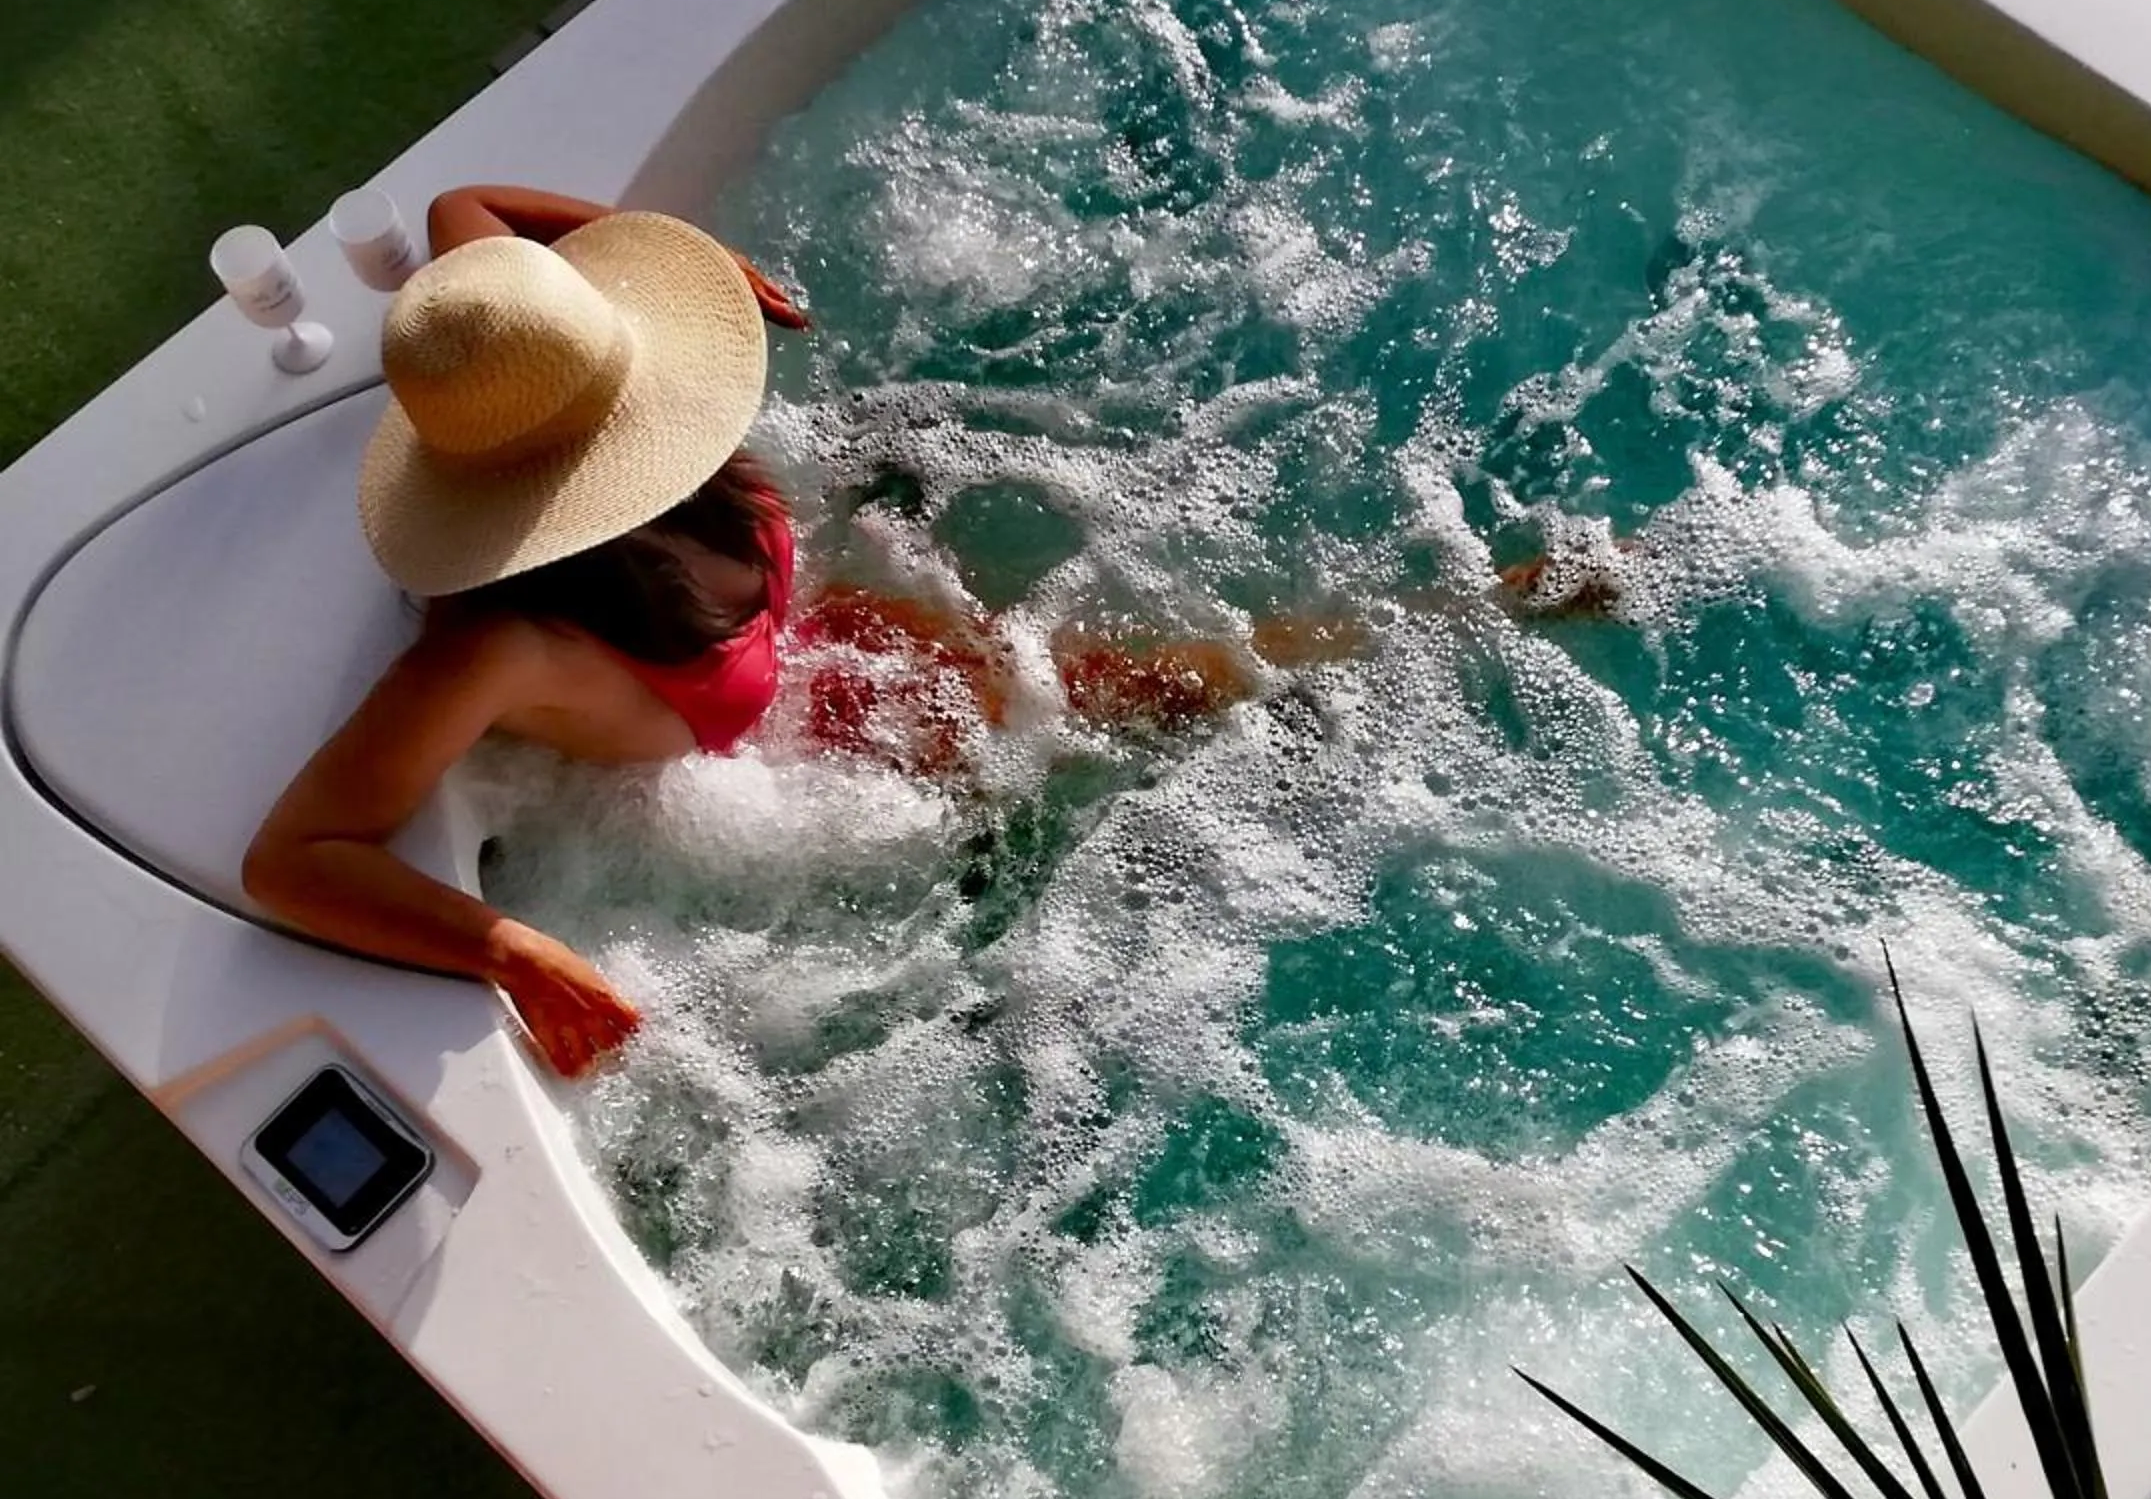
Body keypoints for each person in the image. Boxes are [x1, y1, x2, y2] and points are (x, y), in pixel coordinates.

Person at [244, 188, 1362, 1081]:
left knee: (1118, 691)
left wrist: (657, 265)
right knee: (1126, 716)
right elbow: (293, 862)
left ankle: (1375, 642)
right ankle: (1396, 635)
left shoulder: (533, 374)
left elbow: (460, 213)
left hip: (845, 650)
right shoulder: (504, 645)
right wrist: (507, 947)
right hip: (802, 774)